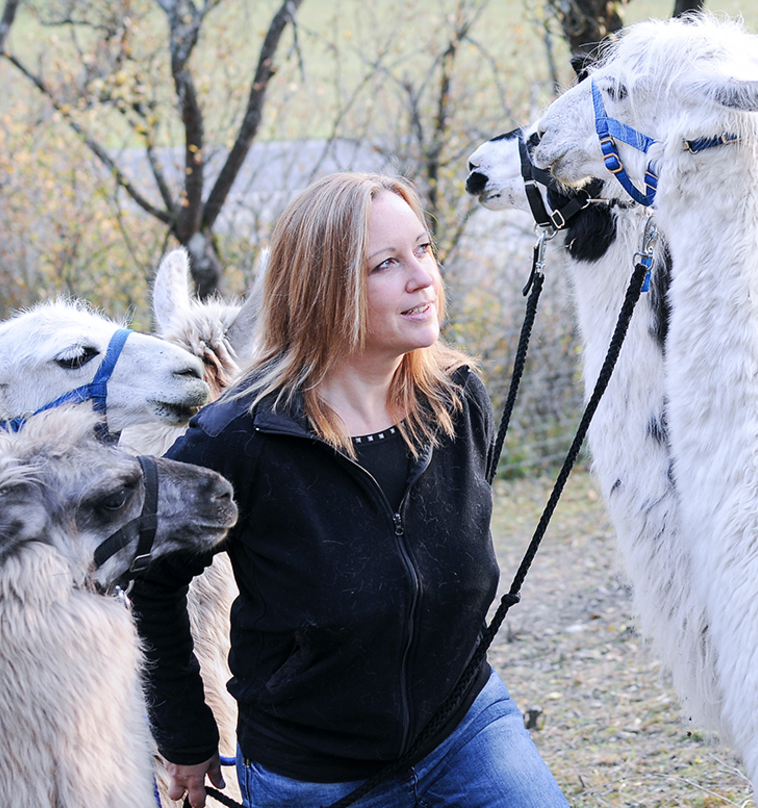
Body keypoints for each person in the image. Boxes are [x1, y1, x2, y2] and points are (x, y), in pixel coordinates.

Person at [131, 172, 569, 808]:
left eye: (423, 250)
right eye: (386, 264)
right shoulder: (238, 439)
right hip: (314, 771)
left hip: (464, 728)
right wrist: (185, 735)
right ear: (323, 290)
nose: (423, 278)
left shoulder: (456, 400)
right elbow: (154, 580)